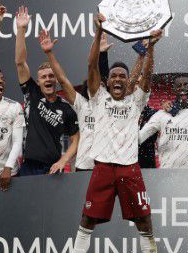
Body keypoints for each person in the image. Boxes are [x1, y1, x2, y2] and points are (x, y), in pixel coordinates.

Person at [57, 14, 168, 253]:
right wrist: (97, 33)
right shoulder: (98, 98)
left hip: (130, 168)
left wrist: (151, 47)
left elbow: (147, 74)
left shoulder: (136, 101)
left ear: (126, 81)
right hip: (103, 168)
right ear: (108, 82)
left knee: (144, 219)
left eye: (122, 76)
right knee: (87, 220)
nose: (118, 79)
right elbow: (90, 64)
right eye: (114, 76)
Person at [41, 28, 142, 172]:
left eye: (101, 86)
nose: (98, 88)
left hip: (108, 167)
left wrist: (103, 54)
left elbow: (129, 85)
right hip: (83, 166)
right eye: (95, 85)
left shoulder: (112, 103)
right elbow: (63, 80)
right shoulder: (82, 105)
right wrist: (49, 53)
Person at [13, 5, 80, 175]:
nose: (48, 79)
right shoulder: (32, 93)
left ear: (57, 80)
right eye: (44, 77)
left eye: (51, 76)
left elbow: (76, 139)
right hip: (29, 165)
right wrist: (21, 29)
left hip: (52, 168)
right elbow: (20, 62)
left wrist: (63, 161)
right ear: (38, 81)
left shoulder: (66, 108)